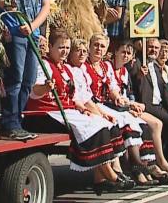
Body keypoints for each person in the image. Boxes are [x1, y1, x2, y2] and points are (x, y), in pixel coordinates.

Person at [24, 30, 134, 194]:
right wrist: (46, 87)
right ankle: (110, 176)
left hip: (66, 110)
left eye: (67, 48)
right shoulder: (44, 65)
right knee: (95, 127)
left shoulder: (66, 69)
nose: (65, 51)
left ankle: (104, 176)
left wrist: (83, 108)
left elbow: (74, 96)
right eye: (61, 47)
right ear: (51, 47)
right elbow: (34, 92)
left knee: (103, 123)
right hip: (45, 112)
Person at [69, 37, 160, 187]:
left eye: (102, 46)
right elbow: (86, 95)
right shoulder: (84, 67)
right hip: (96, 104)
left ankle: (140, 166)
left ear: (106, 49)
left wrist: (118, 98)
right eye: (95, 46)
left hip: (105, 103)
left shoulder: (105, 66)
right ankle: (125, 168)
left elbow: (113, 88)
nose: (98, 49)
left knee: (137, 123)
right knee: (117, 122)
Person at [0, 0, 55, 140]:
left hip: (31, 30)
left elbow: (46, 5)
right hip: (13, 28)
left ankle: (18, 119)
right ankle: (10, 121)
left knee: (29, 79)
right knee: (14, 76)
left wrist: (34, 26)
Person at [100, 39, 168, 180]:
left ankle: (155, 163)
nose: (125, 55)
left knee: (156, 124)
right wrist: (131, 104)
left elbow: (129, 92)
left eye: (128, 53)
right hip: (113, 107)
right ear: (116, 52)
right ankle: (138, 167)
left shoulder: (124, 70)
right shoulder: (110, 67)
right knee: (139, 125)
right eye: (123, 52)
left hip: (125, 106)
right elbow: (114, 93)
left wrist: (133, 103)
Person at [131, 37, 168, 167]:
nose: (154, 50)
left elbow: (164, 90)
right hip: (147, 105)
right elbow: (133, 83)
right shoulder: (138, 63)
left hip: (160, 104)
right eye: (151, 47)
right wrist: (139, 76)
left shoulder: (156, 66)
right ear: (145, 47)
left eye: (156, 48)